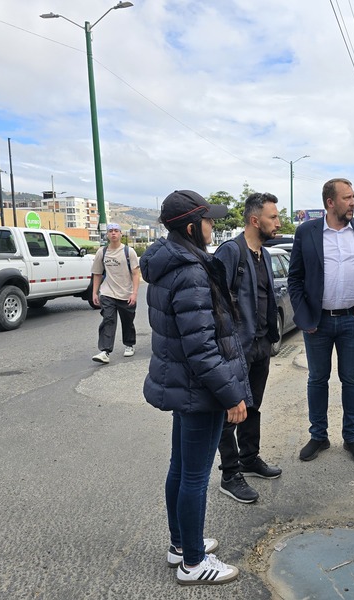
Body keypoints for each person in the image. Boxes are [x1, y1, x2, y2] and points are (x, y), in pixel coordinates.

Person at [141, 190, 251, 586]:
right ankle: (192, 561)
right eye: (209, 221)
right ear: (192, 227)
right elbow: (202, 348)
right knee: (194, 476)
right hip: (199, 390)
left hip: (184, 386)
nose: (213, 227)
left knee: (180, 469)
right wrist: (231, 394)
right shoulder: (190, 270)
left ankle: (180, 544)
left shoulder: (171, 263)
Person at [288, 178, 354, 464]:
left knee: (352, 379)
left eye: (353, 197)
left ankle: (352, 437)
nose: (353, 202)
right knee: (317, 379)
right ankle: (319, 436)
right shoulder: (307, 231)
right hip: (318, 323)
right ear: (330, 202)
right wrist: (304, 317)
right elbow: (295, 278)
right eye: (347, 197)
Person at [214, 193, 283, 504]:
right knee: (231, 412)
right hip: (236, 348)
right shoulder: (231, 251)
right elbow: (216, 302)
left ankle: (249, 458)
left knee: (253, 405)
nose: (278, 222)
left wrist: (269, 339)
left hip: (260, 346)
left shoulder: (265, 254)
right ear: (256, 220)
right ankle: (230, 474)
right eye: (273, 217)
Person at [91, 223, 140, 364]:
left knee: (128, 321)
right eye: (110, 231)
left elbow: (136, 274)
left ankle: (129, 344)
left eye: (116, 231)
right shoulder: (102, 252)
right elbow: (97, 273)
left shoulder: (129, 252)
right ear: (107, 234)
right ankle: (105, 351)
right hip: (107, 293)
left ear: (121, 234)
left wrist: (134, 293)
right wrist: (95, 293)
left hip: (126, 293)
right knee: (108, 320)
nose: (113, 233)